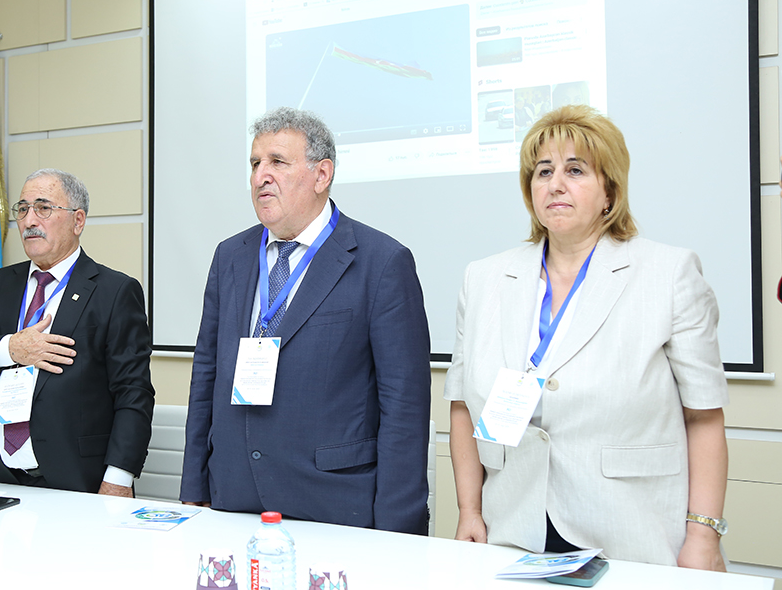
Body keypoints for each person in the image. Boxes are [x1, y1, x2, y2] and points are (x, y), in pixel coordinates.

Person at [445, 105, 729, 569]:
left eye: (575, 170)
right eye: (543, 171)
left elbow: (704, 416)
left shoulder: (668, 273)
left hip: (633, 534)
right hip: (513, 531)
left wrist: (703, 535)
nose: (555, 184)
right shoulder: (484, 279)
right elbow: (462, 405)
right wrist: (470, 510)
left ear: (609, 192)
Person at [180, 107, 431, 535]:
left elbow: (404, 406)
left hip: (335, 503)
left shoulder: (382, 262)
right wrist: (194, 484)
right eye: (255, 163)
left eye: (277, 162)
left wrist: (397, 527)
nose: (261, 176)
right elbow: (206, 373)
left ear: (322, 174)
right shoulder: (230, 256)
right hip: (233, 496)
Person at [0, 169, 154, 495]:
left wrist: (119, 478)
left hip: (76, 479)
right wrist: (10, 349)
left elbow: (133, 393)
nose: (29, 221)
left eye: (43, 208)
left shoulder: (114, 291)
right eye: (23, 209)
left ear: (78, 221)